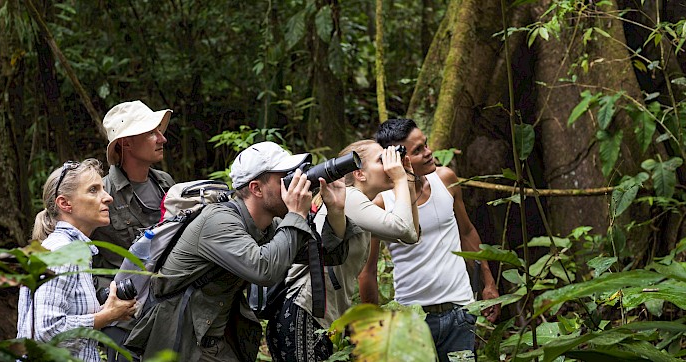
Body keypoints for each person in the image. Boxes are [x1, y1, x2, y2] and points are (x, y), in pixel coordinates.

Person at [126, 141, 357, 361]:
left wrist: (335, 210)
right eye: (285, 179)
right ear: (256, 188)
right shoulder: (218, 222)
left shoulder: (267, 226)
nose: (294, 184)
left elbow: (327, 254)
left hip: (214, 342)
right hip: (180, 341)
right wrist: (296, 215)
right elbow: (264, 270)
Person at [266, 140, 421, 362]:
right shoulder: (350, 198)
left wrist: (408, 180)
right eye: (381, 160)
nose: (389, 164)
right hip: (304, 310)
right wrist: (398, 178)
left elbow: (411, 235)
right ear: (359, 173)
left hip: (318, 316)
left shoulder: (357, 202)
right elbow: (405, 229)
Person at [360, 119, 500, 362]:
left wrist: (488, 281)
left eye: (425, 145)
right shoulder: (383, 203)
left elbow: (466, 232)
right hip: (412, 318)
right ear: (398, 159)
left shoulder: (446, 180)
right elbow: (367, 272)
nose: (428, 153)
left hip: (460, 310)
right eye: (417, 151)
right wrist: (375, 326)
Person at [17, 159, 138, 361]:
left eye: (104, 189)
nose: (108, 198)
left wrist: (110, 312)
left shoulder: (73, 251)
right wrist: (105, 317)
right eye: (93, 190)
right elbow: (47, 332)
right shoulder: (60, 252)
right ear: (65, 204)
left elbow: (65, 319)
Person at [91, 100, 175, 361]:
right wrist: (107, 296)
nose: (161, 138)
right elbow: (80, 260)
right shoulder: (102, 194)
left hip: (165, 313)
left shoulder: (166, 184)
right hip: (124, 320)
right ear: (126, 143)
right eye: (151, 132)